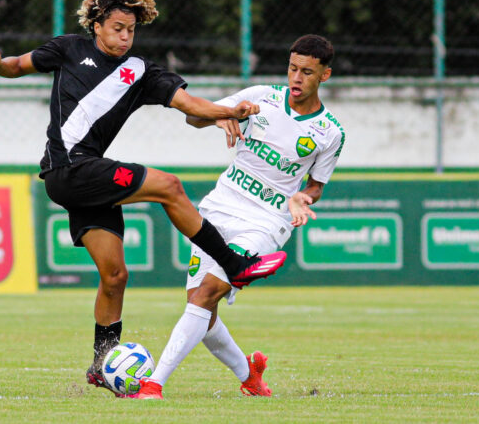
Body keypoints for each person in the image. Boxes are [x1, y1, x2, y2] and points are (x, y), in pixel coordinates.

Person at [0, 0, 286, 396]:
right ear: (97, 25)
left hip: (84, 181)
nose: (125, 37)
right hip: (69, 167)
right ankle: (233, 264)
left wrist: (231, 111)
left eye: (131, 31)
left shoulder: (141, 71)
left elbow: (191, 104)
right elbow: (15, 66)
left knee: (115, 275)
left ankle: (102, 364)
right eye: (117, 28)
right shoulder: (68, 49)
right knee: (170, 186)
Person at [134, 34, 344, 399]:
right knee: (203, 309)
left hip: (266, 221)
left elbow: (316, 187)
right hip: (219, 208)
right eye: (293, 68)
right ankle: (250, 375)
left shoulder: (330, 133)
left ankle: (154, 384)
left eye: (307, 72)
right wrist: (223, 116)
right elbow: (193, 118)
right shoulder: (262, 96)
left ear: (324, 75)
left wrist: (301, 198)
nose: (297, 78)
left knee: (206, 295)